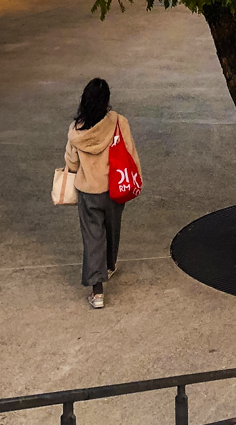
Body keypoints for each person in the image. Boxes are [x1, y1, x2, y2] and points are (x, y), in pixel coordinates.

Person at [65, 78, 140, 309]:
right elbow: (130, 152)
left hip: (89, 191)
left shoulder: (76, 130)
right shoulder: (119, 122)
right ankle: (109, 264)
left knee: (92, 237)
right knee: (112, 229)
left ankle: (97, 291)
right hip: (115, 187)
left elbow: (72, 162)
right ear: (106, 100)